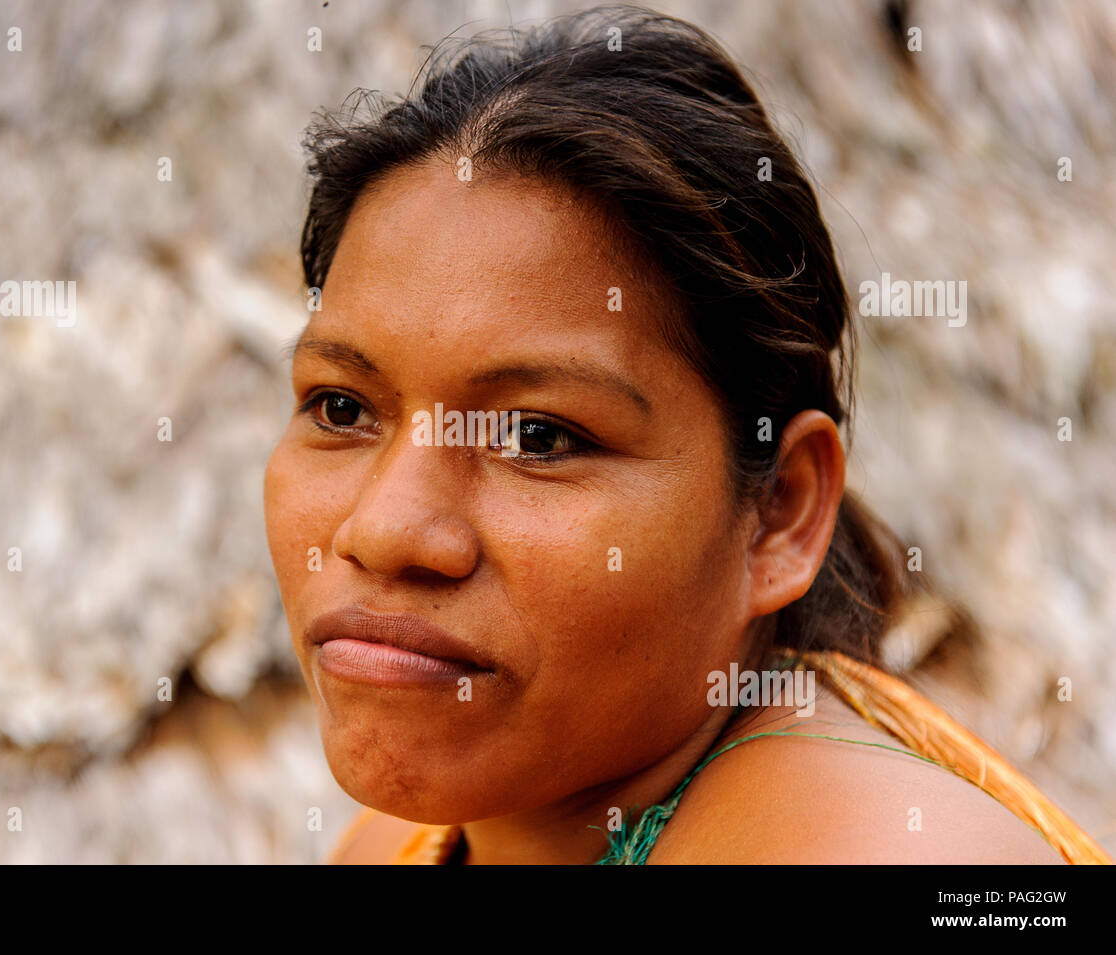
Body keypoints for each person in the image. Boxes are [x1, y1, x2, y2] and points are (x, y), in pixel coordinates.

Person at [262, 4, 1109, 864]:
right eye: (341, 408)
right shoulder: (405, 842)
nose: (384, 528)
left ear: (778, 513)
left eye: (541, 437)